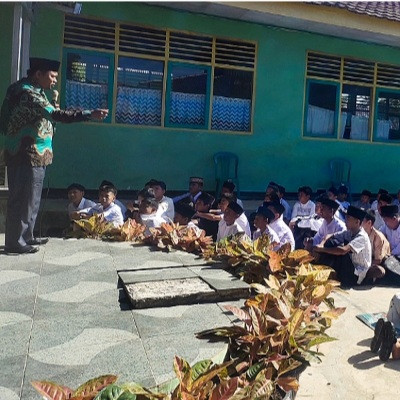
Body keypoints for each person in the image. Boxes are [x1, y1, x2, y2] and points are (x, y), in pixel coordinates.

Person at [0, 57, 108, 254]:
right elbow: (56, 115)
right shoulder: (27, 93)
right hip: (25, 153)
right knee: (23, 198)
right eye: (51, 76)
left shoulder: (35, 90)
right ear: (38, 74)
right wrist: (88, 113)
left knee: (31, 198)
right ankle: (15, 242)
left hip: (35, 154)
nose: (54, 81)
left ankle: (26, 236)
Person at [313, 206, 371, 286]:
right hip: (349, 266)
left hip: (357, 273)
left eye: (348, 218)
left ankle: (338, 278)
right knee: (331, 242)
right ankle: (323, 272)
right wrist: (321, 244)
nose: (345, 221)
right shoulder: (349, 232)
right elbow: (330, 236)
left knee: (341, 253)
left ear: (357, 222)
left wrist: (322, 250)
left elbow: (343, 250)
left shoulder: (362, 237)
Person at [362, 209, 391, 283]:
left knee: (380, 270)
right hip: (366, 260)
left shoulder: (378, 237)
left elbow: (378, 260)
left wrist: (363, 266)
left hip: (380, 261)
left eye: (362, 221)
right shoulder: (360, 233)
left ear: (369, 223)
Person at [370, 294, 400, 361]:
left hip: (393, 314)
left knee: (391, 327)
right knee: (397, 354)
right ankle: (393, 343)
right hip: (396, 325)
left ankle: (385, 334)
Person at [379, 205, 400, 286]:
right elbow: (379, 233)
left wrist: (388, 254)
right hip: (391, 257)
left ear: (394, 219)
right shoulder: (386, 226)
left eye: (386, 220)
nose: (385, 223)